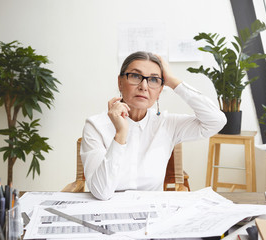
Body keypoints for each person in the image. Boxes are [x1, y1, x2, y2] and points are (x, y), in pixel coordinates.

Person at [81, 51, 226, 200]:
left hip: (152, 214)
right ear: (120, 82)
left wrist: (173, 82)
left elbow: (216, 121)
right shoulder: (96, 125)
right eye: (136, 76)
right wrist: (120, 134)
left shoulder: (168, 124)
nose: (144, 86)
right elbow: (101, 192)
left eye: (154, 80)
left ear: (160, 90)